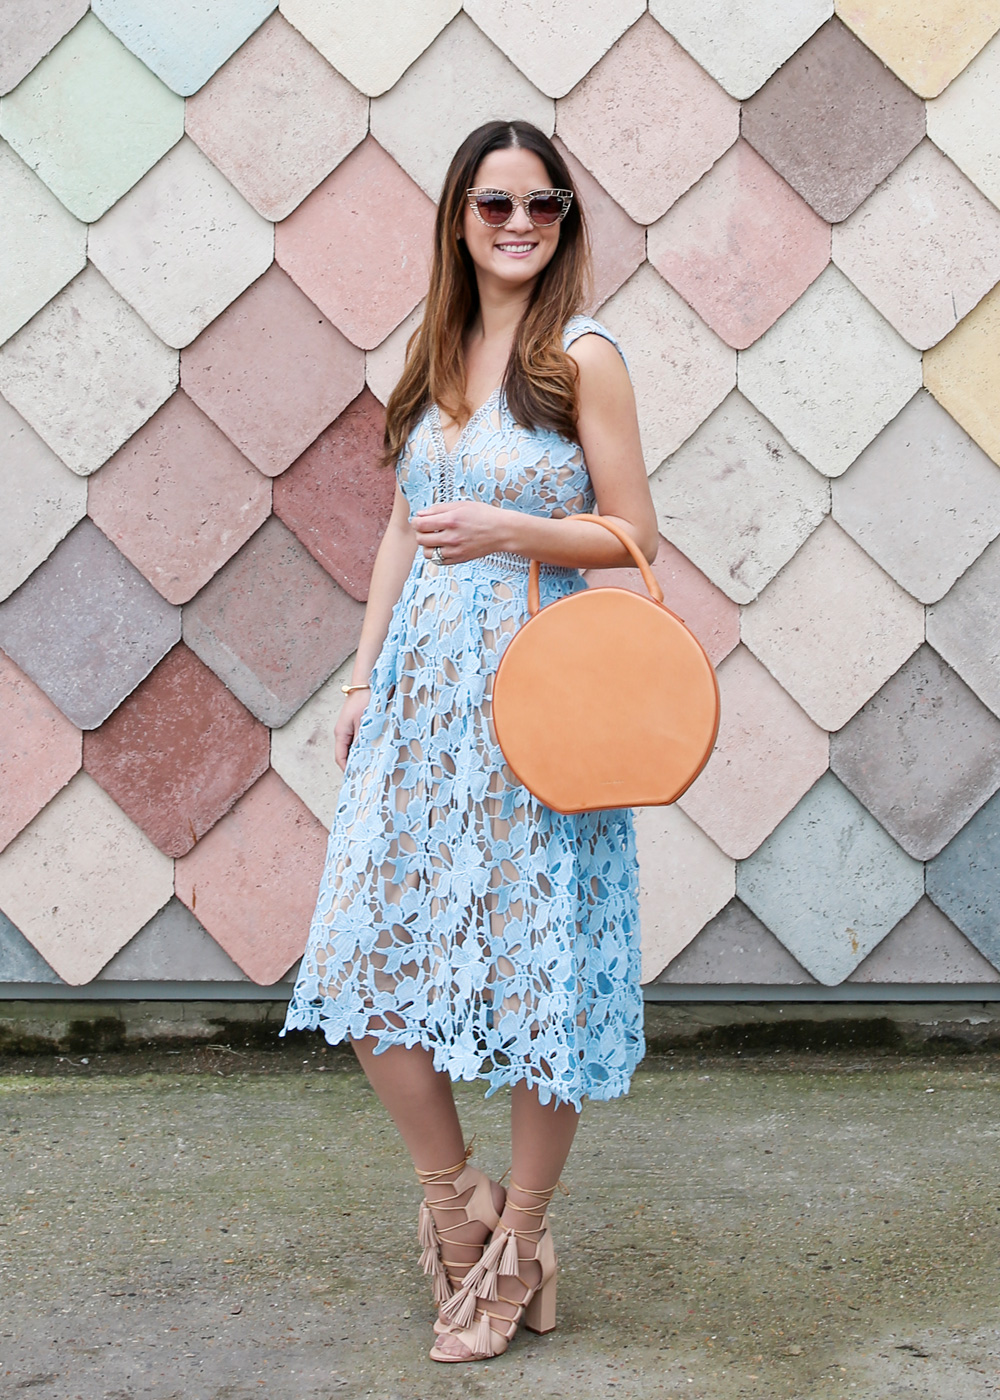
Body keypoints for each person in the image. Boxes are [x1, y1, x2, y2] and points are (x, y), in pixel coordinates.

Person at [282, 118, 658, 1363]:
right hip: (420, 710)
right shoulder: (436, 348)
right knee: (371, 958)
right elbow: (400, 527)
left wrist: (513, 529)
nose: (518, 223)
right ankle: (455, 1210)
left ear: (564, 222)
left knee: (536, 969)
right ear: (459, 216)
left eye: (542, 204)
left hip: (543, 700)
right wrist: (360, 676)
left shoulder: (582, 358)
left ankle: (522, 1242)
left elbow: (633, 538)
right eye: (494, 202)